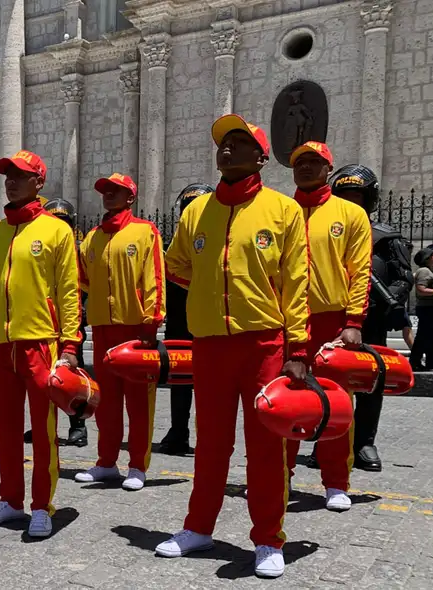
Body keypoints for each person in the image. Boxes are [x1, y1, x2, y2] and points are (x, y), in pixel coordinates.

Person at [156, 115, 309, 578]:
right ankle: (198, 527)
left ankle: (267, 539)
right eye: (224, 143)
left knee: (265, 446)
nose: (227, 150)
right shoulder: (196, 211)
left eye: (239, 144)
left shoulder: (283, 211)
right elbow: (177, 265)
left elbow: (296, 281)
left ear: (261, 157)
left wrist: (298, 346)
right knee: (211, 444)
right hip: (210, 345)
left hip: (263, 343)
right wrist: (209, 293)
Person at [0, 150, 81, 538]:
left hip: (40, 343)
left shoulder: (57, 231)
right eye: (7, 175)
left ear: (39, 182)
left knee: (43, 429)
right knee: (6, 429)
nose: (11, 181)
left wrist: (69, 346)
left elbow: (69, 291)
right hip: (0, 344)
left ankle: (42, 505)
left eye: (20, 175)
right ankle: (10, 499)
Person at [283, 142, 371, 512]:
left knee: (335, 405)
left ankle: (336, 482)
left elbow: (360, 271)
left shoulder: (350, 214)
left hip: (330, 322)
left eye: (314, 162)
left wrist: (353, 322)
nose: (305, 168)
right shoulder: (279, 211)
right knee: (285, 403)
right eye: (299, 162)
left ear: (328, 169)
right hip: (285, 322)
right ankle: (278, 475)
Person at [73, 174, 165, 491]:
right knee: (107, 401)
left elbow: (155, 276)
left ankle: (137, 465)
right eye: (105, 191)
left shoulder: (144, 231)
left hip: (135, 329)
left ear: (130, 197)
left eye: (117, 192)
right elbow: (82, 278)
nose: (109, 195)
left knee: (138, 402)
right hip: (102, 328)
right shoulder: (92, 238)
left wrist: (151, 320)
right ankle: (106, 462)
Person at [332, 165, 412, 471]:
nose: (351, 203)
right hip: (334, 317)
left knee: (371, 382)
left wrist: (390, 299)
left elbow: (403, 277)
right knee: (331, 381)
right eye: (345, 197)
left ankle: (364, 441)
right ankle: (330, 438)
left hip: (373, 319)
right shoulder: (327, 230)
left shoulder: (386, 236)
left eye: (357, 197)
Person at [158, 183, 213, 456]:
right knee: (179, 383)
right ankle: (178, 430)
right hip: (179, 325)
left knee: (209, 386)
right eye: (187, 207)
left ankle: (209, 435)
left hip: (209, 323)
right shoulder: (173, 247)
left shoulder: (216, 244)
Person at [37, 198, 88, 447]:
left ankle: (78, 426)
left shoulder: (77, 247)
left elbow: (82, 284)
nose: (61, 224)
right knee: (46, 381)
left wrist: (79, 314)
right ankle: (48, 426)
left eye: (65, 221)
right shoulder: (47, 241)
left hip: (68, 322)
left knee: (71, 377)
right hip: (44, 322)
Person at [411, 246, 433, 370]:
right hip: (427, 309)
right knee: (424, 336)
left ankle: (432, 363)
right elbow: (421, 290)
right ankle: (415, 362)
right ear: (427, 257)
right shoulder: (424, 271)